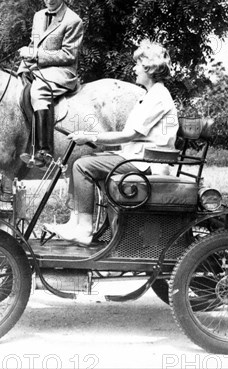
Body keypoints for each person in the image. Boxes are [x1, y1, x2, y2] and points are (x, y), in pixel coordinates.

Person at [45, 39, 179, 246]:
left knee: (82, 166)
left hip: (148, 164)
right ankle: (75, 221)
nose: (134, 69)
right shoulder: (150, 95)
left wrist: (91, 136)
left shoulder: (158, 97)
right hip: (138, 158)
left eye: (137, 65)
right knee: (78, 161)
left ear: (149, 69)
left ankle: (85, 229)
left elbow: (128, 135)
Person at [18, 0, 84, 168]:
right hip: (40, 68)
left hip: (62, 71)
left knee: (39, 90)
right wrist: (23, 68)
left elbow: (69, 55)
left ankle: (43, 151)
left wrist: (36, 55)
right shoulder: (38, 16)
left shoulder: (73, 21)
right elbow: (33, 44)